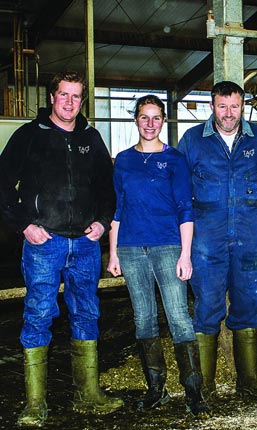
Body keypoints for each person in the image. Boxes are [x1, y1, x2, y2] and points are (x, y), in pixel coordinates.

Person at [0, 71, 123, 427]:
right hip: (45, 243)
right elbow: (4, 185)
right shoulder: (28, 137)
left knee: (87, 312)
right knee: (39, 313)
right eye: (64, 95)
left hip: (85, 244)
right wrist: (24, 225)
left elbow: (107, 189)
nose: (70, 103)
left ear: (82, 100)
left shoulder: (92, 138)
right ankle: (35, 402)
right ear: (51, 97)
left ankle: (89, 393)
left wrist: (101, 222)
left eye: (76, 96)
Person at [177, 80, 257, 401]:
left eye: (235, 107)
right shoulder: (193, 141)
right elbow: (178, 185)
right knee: (207, 306)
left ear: (244, 107)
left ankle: (249, 380)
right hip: (206, 238)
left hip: (249, 234)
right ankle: (206, 385)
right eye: (222, 106)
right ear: (212, 107)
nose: (229, 114)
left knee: (249, 303)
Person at [106, 95, 209, 416]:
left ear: (163, 121)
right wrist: (112, 253)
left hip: (168, 247)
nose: (150, 124)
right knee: (143, 317)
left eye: (156, 118)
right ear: (135, 120)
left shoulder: (175, 159)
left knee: (179, 316)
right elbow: (117, 209)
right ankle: (156, 389)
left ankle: (194, 392)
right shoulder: (122, 160)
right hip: (131, 248)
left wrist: (186, 254)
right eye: (144, 117)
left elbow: (185, 208)